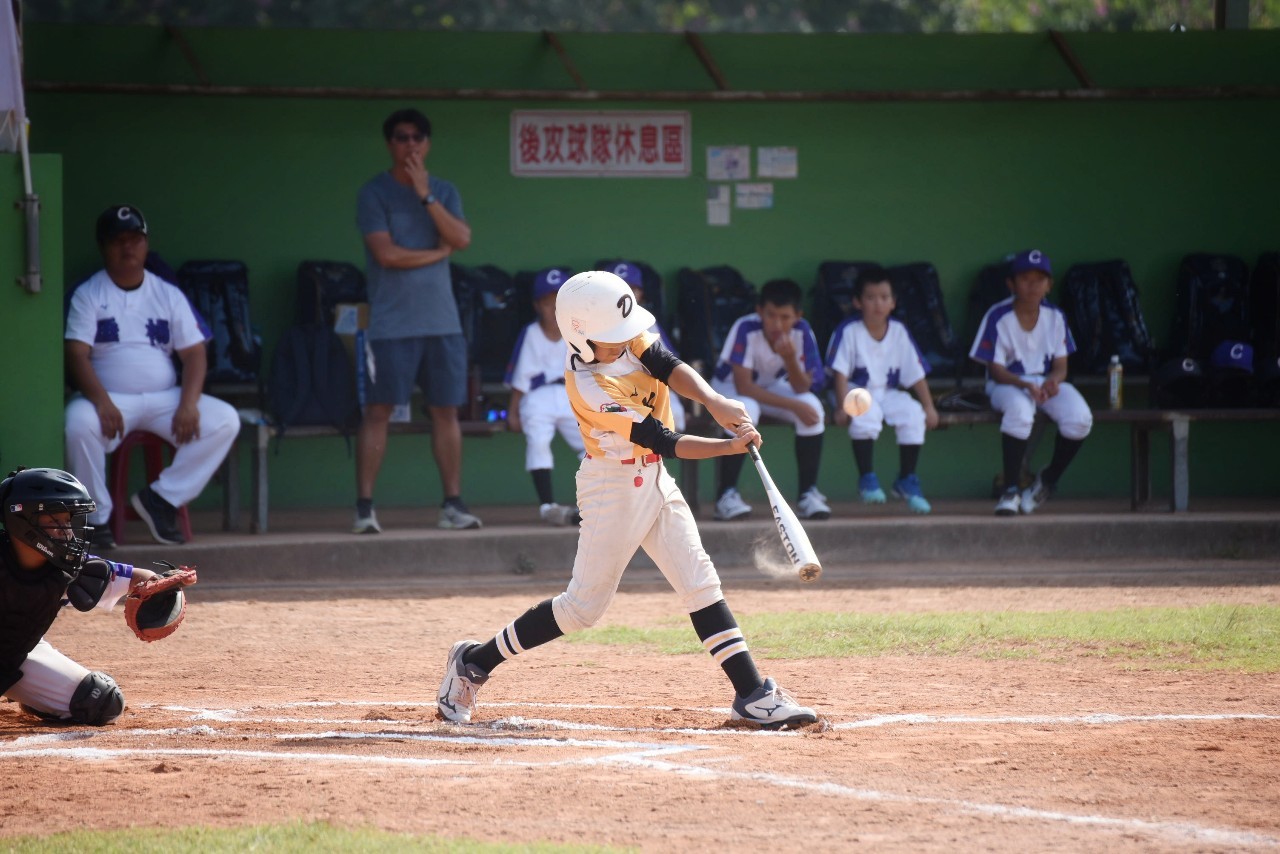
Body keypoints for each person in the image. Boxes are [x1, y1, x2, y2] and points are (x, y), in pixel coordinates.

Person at [437, 271, 817, 729]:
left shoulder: (622, 337)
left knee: (700, 582)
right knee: (581, 609)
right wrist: (727, 447)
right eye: (611, 337)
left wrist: (714, 400)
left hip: (654, 478)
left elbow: (667, 365)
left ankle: (752, 694)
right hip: (612, 488)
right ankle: (474, 662)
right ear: (581, 337)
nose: (623, 341)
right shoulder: (588, 384)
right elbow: (663, 439)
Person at [64, 204, 240, 548]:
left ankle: (161, 499)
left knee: (225, 420)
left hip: (165, 399)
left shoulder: (166, 293)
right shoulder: (88, 293)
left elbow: (194, 353)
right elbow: (76, 354)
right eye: (118, 240)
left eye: (135, 239)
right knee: (77, 424)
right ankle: (95, 519)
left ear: (146, 244)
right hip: (110, 399)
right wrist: (101, 401)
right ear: (103, 246)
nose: (128, 247)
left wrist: (188, 403)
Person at [354, 108, 480, 534]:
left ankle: (452, 505)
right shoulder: (374, 192)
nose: (410, 144)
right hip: (392, 325)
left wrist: (426, 195)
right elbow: (387, 255)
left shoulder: (443, 190)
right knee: (379, 411)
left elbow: (461, 238)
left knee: (446, 411)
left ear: (427, 144)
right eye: (401, 137)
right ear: (390, 143)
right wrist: (437, 253)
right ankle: (365, 509)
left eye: (417, 137)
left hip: (443, 324)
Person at [0, 468, 163, 725]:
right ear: (23, 521)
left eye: (67, 522)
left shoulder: (68, 565)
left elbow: (137, 577)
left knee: (100, 702)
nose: (67, 532)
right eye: (55, 521)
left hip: (15, 656)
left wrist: (158, 585)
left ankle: (33, 696)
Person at [969, 249, 1093, 516]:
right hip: (1006, 384)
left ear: (1049, 285)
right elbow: (996, 370)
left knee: (1080, 418)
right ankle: (1010, 490)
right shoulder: (998, 315)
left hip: (1042, 382)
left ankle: (1046, 481)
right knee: (1020, 410)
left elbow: (1061, 366)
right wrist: (1025, 386)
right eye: (1025, 279)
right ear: (1011, 284)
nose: (1033, 285)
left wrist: (1053, 382)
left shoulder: (1055, 316)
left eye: (1040, 279)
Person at [709, 278, 830, 522]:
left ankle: (808, 494)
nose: (777, 324)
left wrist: (790, 360)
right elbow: (744, 386)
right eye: (771, 315)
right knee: (746, 410)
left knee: (813, 407)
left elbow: (802, 387)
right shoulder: (746, 327)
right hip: (728, 388)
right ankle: (726, 496)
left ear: (798, 316)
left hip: (770, 386)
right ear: (759, 311)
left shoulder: (802, 331)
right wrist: (794, 405)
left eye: (785, 317)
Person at [826, 264, 939, 514]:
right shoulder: (849, 330)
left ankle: (906, 480)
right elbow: (840, 373)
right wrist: (841, 406)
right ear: (857, 302)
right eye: (871, 297)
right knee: (865, 410)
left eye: (884, 297)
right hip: (853, 390)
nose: (878, 303)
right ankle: (867, 479)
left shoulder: (898, 331)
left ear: (893, 302)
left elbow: (916, 374)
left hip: (886, 392)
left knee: (913, 413)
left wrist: (929, 406)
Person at [505, 267, 585, 526]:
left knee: (593, 443)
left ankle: (593, 503)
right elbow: (520, 379)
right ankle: (548, 506)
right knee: (538, 442)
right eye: (548, 303)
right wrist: (513, 412)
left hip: (569, 394)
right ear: (537, 306)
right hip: (536, 397)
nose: (554, 309)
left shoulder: (578, 333)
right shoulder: (531, 332)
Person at [610, 261, 687, 432]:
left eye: (631, 289)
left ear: (641, 294)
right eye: (618, 289)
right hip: (609, 388)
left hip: (646, 385)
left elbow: (668, 361)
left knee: (674, 414)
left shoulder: (647, 321)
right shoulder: (592, 322)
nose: (624, 296)